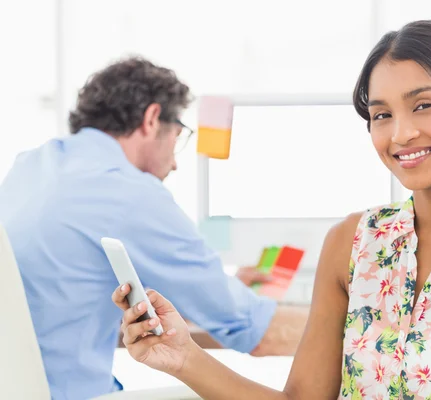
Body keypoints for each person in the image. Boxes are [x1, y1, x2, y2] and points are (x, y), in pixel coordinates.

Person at [114, 20, 431, 400]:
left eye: (424, 106)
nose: (401, 134)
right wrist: (182, 357)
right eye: (382, 115)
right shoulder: (353, 242)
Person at [0, 57, 308, 400]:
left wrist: (215, 294)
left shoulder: (29, 166)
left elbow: (63, 306)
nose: (175, 163)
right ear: (151, 120)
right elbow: (256, 331)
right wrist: (361, 322)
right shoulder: (125, 191)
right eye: (178, 137)